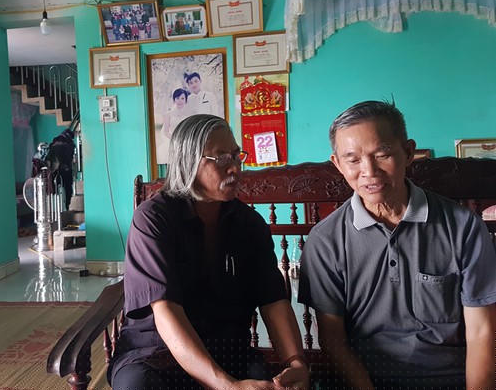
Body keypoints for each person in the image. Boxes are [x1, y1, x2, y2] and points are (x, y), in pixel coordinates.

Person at [298, 100, 496, 389]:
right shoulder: (325, 240)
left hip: (449, 380)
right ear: (337, 164)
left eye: (383, 154)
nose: (369, 171)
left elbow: (482, 331)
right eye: (353, 160)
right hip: (365, 381)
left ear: (408, 152)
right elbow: (332, 339)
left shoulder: (462, 227)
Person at [109, 114, 310, 390]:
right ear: (188, 162)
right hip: (157, 354)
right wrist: (225, 386)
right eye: (222, 158)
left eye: (237, 156)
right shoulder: (154, 219)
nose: (235, 168)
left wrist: (295, 362)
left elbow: (273, 301)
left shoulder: (249, 224)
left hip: (228, 352)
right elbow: (165, 311)